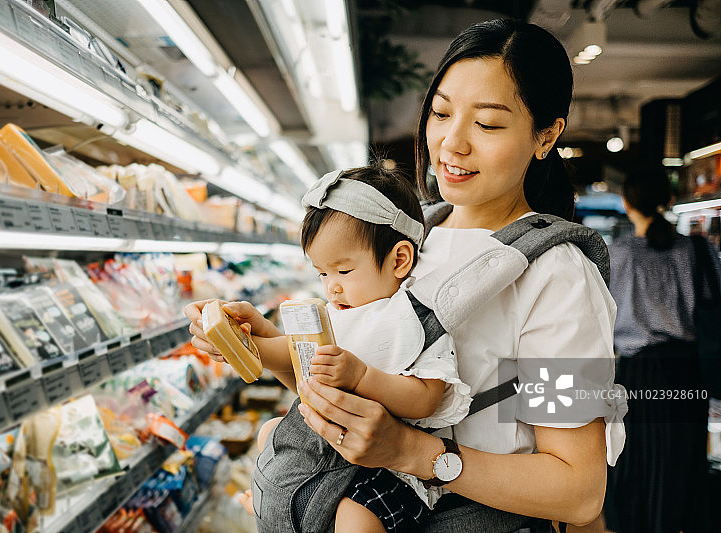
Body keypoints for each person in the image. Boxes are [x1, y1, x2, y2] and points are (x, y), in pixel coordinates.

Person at [186, 18, 625, 532]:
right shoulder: (415, 238)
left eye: (487, 124)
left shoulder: (556, 276)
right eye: (440, 113)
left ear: (546, 135)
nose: (451, 143)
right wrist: (274, 350)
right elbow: (358, 385)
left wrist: (415, 453)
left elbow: (577, 490)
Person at [227, 163, 473, 532]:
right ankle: (274, 500)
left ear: (399, 260)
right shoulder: (340, 312)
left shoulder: (417, 320)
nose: (331, 288)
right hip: (331, 451)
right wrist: (245, 341)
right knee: (271, 432)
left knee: (356, 520)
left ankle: (287, 503)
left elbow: (426, 399)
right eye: (322, 273)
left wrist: (362, 376)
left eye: (343, 271)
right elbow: (295, 355)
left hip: (390, 469)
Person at [603, 168, 713, 533]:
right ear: (667, 200)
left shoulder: (616, 255)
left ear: (626, 203)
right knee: (684, 458)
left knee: (637, 461)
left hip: (638, 372)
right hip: (689, 368)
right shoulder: (698, 250)